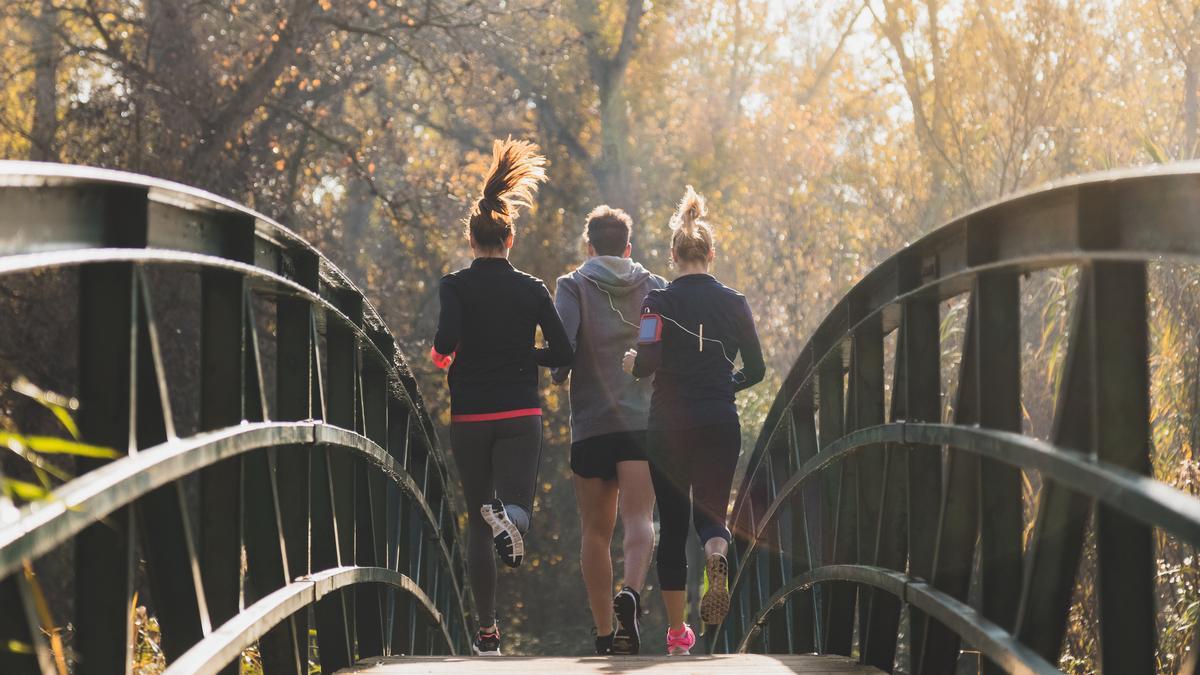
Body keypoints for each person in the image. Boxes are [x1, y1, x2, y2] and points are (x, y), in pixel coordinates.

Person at [432, 138, 573, 656]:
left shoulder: (455, 286)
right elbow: (563, 351)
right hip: (519, 411)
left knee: (477, 520)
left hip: (471, 413)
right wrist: (526, 354)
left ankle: (488, 632)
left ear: (471, 240)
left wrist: (443, 354)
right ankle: (510, 519)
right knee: (515, 504)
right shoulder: (532, 288)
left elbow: (445, 342)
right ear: (510, 238)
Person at [622, 186, 765, 656]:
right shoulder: (736, 302)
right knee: (711, 515)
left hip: (668, 426)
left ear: (673, 256)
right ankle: (716, 558)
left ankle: (677, 635)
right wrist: (723, 387)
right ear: (711, 254)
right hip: (719, 420)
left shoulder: (656, 302)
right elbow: (757, 369)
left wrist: (633, 365)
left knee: (672, 523)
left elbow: (647, 361)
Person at [552, 206, 665, 655]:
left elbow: (561, 356)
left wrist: (553, 367)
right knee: (639, 518)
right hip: (642, 422)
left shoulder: (572, 285)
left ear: (590, 247)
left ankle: (604, 633)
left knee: (595, 532)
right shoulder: (656, 287)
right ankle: (631, 594)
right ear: (628, 247)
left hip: (592, 424)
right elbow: (666, 352)